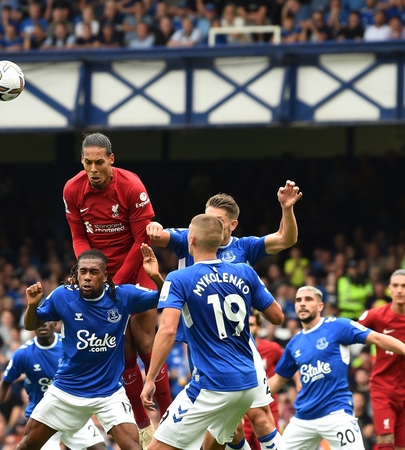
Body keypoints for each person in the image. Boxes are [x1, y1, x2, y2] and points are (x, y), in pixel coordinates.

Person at [146, 183, 302, 450]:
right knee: (229, 430)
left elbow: (286, 240)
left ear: (231, 225)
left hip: (237, 347)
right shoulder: (233, 264)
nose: (209, 223)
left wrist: (286, 210)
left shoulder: (244, 248)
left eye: (216, 220)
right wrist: (152, 226)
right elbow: (155, 237)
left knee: (259, 418)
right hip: (201, 345)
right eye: (206, 217)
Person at [62, 132, 165, 445]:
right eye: (87, 162)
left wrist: (116, 282)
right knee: (124, 353)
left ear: (111, 160)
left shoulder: (131, 186)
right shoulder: (72, 189)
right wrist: (88, 269)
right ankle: (146, 429)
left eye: (99, 162)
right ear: (82, 162)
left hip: (136, 269)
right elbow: (78, 236)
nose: (93, 168)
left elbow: (141, 239)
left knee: (147, 343)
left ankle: (172, 415)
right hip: (102, 275)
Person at [16, 246, 163, 450]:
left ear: (104, 276)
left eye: (94, 272)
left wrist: (155, 276)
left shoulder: (123, 296)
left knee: (133, 446)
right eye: (82, 271)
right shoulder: (62, 297)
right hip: (67, 390)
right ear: (76, 274)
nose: (87, 277)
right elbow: (31, 324)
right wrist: (32, 305)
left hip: (108, 392)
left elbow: (163, 297)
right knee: (26, 445)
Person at [269, 286, 405, 450]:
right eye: (298, 300)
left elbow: (378, 338)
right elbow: (278, 380)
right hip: (303, 419)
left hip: (336, 414)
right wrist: (249, 401)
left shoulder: (338, 326)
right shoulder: (294, 344)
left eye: (308, 299)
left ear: (320, 306)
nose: (302, 304)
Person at [0, 321, 106, 450]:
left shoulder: (69, 344)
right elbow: (5, 383)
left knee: (99, 448)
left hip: (70, 410)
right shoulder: (23, 353)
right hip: (42, 416)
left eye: (46, 320)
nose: (43, 324)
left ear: (55, 323)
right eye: (38, 321)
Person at [357, 270, 405, 450]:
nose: (400, 290)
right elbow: (349, 331)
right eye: (396, 286)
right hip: (383, 388)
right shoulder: (376, 315)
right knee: (386, 441)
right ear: (389, 290)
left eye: (404, 286)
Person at [242, 311, 283, 450]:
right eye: (244, 324)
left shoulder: (273, 349)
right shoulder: (235, 351)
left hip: (268, 410)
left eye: (251, 324)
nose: (247, 328)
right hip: (244, 412)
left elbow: (288, 366)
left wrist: (298, 382)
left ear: (259, 327)